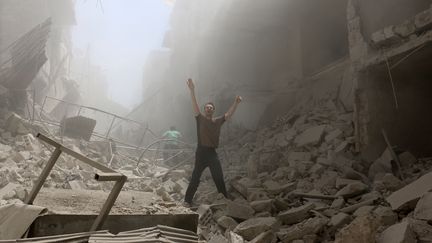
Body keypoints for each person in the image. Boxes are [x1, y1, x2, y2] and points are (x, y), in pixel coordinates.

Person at [184, 78, 242, 206]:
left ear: (213, 110)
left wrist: (236, 103)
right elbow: (194, 105)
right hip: (201, 152)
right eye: (207, 107)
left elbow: (228, 114)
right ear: (205, 110)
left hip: (212, 153)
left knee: (218, 176)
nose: (209, 109)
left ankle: (225, 199)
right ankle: (187, 201)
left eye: (211, 107)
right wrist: (192, 90)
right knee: (195, 177)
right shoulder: (200, 119)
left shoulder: (217, 121)